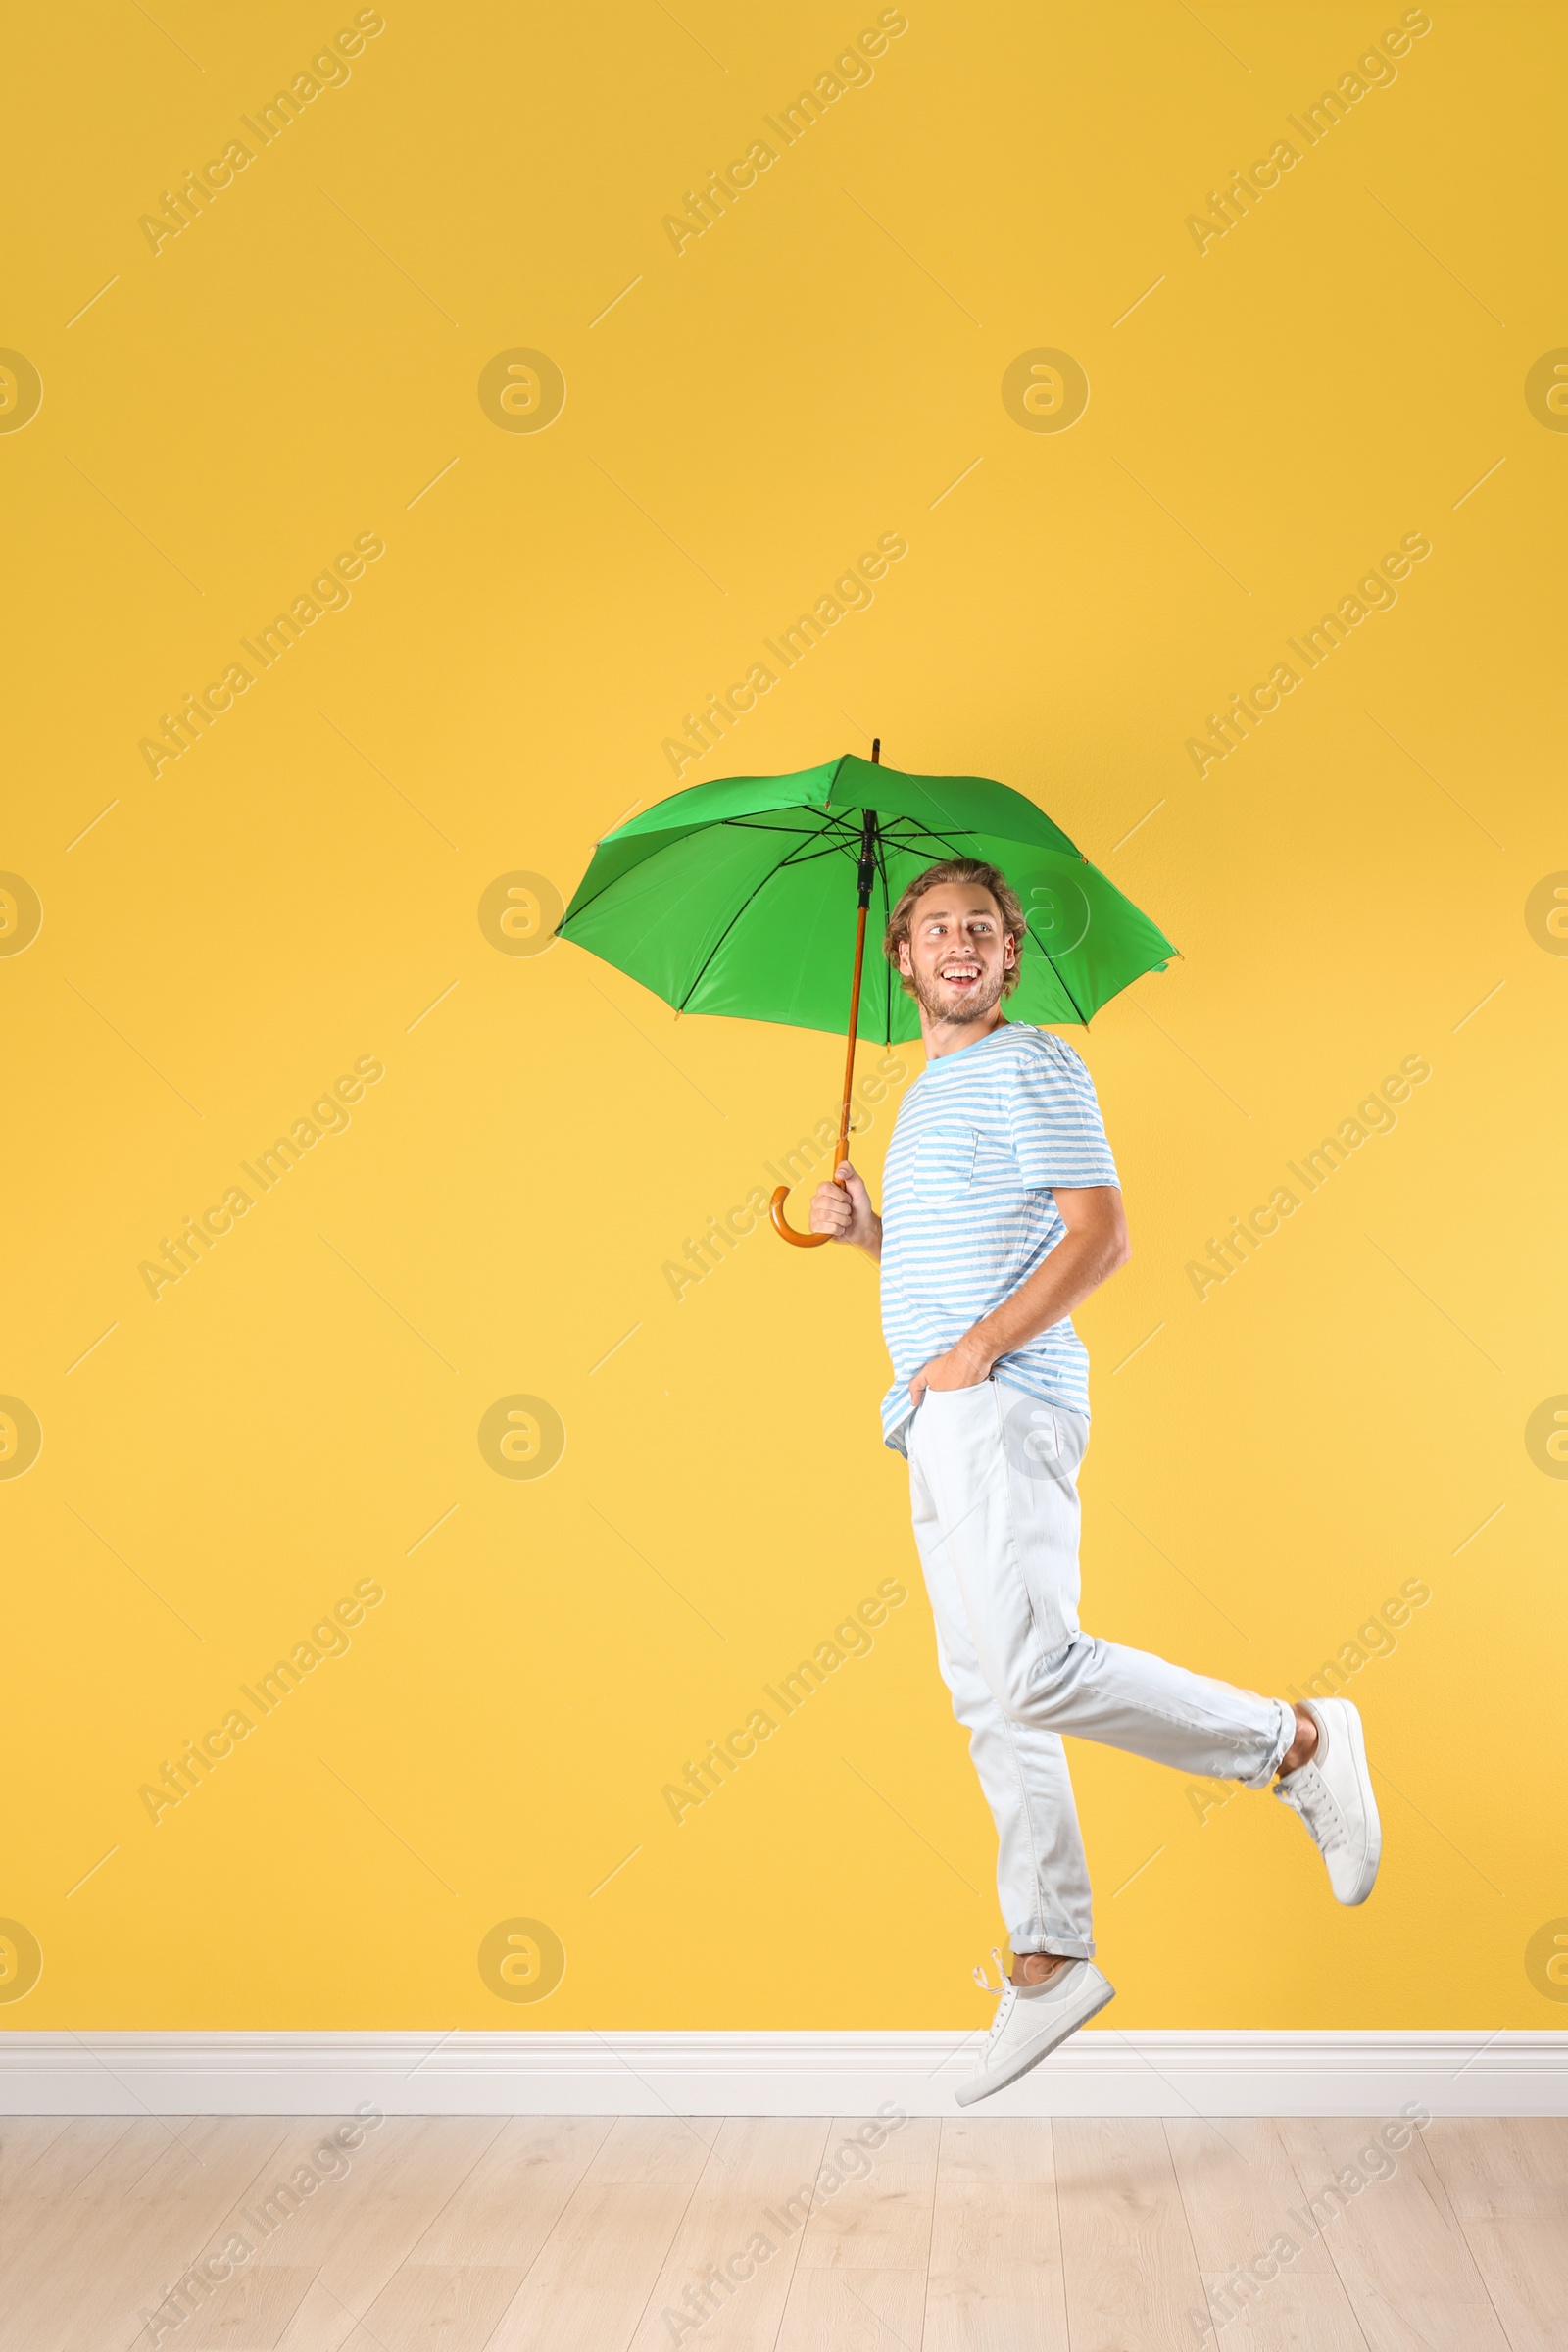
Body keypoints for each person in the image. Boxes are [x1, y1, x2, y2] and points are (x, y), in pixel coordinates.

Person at [809, 858, 1380, 2106]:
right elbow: (963, 1261)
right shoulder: (924, 1095)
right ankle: (1047, 1958)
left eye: (981, 929)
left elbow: (1100, 1233)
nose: (959, 944)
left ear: (1008, 958)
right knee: (989, 1696)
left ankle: (1291, 1744)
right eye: (933, 929)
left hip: (996, 1407)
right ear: (897, 959)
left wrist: (974, 1357)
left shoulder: (1033, 1065)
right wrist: (871, 1242)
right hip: (934, 1416)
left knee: (1033, 1669)